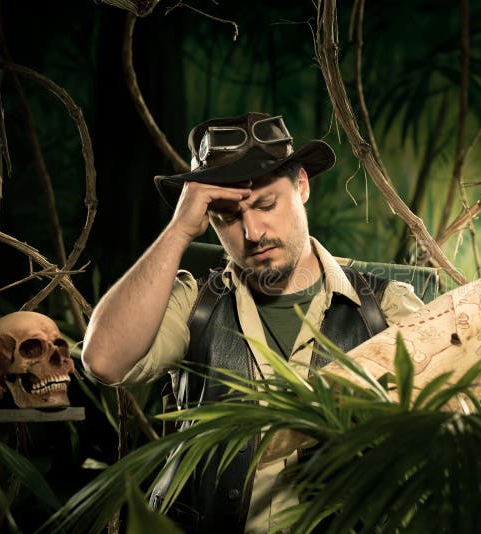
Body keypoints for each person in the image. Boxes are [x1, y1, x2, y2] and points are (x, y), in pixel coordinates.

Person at [81, 112, 424, 533]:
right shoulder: (195, 304)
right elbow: (103, 359)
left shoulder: (385, 308)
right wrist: (178, 232)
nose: (253, 231)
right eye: (226, 216)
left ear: (301, 186)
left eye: (265, 204)